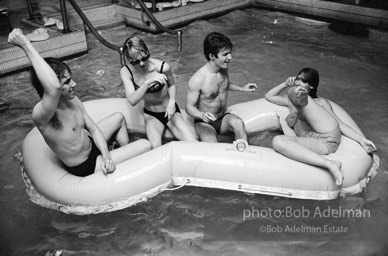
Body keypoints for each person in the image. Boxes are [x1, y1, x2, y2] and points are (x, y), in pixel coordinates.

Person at [8, 28, 151, 177]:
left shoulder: (73, 100)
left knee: (119, 117)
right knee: (145, 145)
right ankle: (124, 155)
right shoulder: (43, 115)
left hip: (93, 146)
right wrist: (26, 44)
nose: (74, 84)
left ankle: (122, 153)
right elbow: (53, 87)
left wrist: (107, 156)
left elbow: (94, 129)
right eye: (68, 82)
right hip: (85, 165)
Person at [265, 67, 377, 186]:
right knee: (278, 141)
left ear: (311, 86)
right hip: (311, 139)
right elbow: (269, 96)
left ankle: (304, 99)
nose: (298, 81)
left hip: (326, 137)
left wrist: (361, 140)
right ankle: (330, 164)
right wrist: (285, 83)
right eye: (297, 78)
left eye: (303, 81)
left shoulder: (322, 102)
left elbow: (340, 124)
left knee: (293, 92)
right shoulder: (290, 102)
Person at [120, 36, 197, 148]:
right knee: (155, 147)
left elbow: (172, 84)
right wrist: (147, 83)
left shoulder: (162, 67)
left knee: (192, 143)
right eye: (136, 61)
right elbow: (132, 100)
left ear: (147, 52)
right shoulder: (126, 72)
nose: (141, 63)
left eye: (144, 58)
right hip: (151, 114)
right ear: (129, 59)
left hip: (168, 110)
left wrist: (172, 103)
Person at [186, 32, 257, 143]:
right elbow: (189, 107)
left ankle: (245, 154)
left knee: (238, 123)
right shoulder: (198, 79)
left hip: (222, 118)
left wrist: (241, 88)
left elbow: (223, 86)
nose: (230, 57)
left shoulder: (223, 68)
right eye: (225, 54)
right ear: (212, 56)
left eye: (229, 53)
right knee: (210, 140)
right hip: (205, 123)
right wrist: (202, 115)